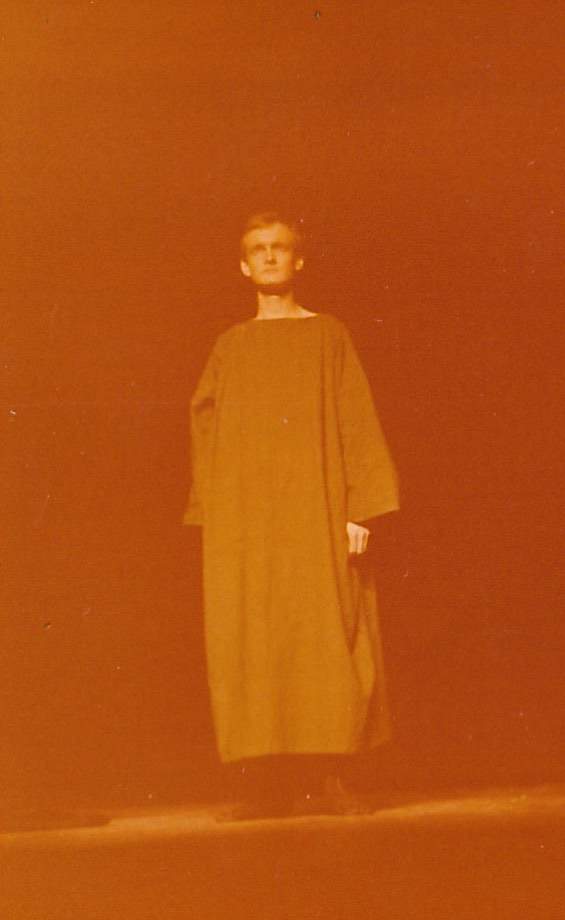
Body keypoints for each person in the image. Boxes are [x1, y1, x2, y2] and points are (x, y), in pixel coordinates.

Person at [186, 213, 400, 819]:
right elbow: (205, 427)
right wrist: (213, 510)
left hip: (318, 508)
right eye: (258, 248)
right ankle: (266, 784)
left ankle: (331, 776)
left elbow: (355, 416)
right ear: (243, 265)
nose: (269, 256)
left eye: (280, 247)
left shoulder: (328, 335)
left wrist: (361, 508)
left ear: (298, 260)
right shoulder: (230, 346)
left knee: (327, 632)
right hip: (248, 520)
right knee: (254, 637)